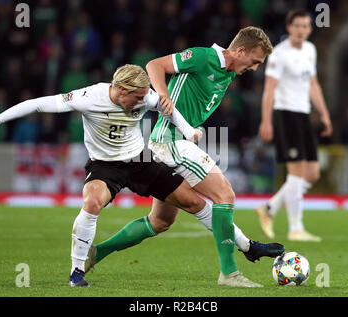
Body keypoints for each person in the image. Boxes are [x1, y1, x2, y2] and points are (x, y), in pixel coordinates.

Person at [0, 64, 206, 287]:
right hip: (105, 165)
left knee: (193, 202)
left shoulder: (146, 95)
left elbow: (167, 108)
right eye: (138, 97)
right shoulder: (88, 97)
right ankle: (77, 271)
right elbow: (38, 103)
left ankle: (243, 247)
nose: (145, 101)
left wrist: (188, 131)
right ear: (121, 90)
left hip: (138, 160)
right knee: (92, 201)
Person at [87, 27, 285, 288]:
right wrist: (163, 96)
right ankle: (230, 272)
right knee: (225, 196)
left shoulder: (227, 72)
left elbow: (191, 99)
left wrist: (191, 125)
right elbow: (154, 65)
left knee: (160, 221)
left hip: (174, 140)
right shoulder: (204, 58)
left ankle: (96, 253)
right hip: (170, 142)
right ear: (239, 51)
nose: (256, 68)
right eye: (255, 61)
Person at [257, 9, 333, 242]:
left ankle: (269, 208)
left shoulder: (310, 50)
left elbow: (314, 85)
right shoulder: (280, 54)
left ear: (310, 29)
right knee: (297, 172)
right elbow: (269, 88)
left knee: (312, 173)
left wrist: (324, 114)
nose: (301, 30)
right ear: (289, 28)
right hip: (285, 114)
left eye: (305, 26)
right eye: (297, 26)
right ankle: (295, 227)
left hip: (304, 115)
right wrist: (266, 120)